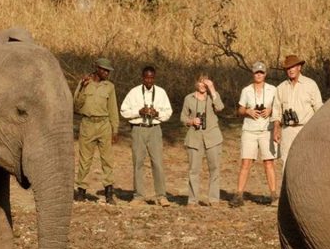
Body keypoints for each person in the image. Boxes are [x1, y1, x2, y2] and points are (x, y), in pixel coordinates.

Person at [120, 65, 173, 206]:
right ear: (142, 78)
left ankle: (161, 196)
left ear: (154, 78)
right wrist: (139, 111)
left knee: (158, 163)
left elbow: (168, 112)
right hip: (138, 128)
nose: (149, 80)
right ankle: (138, 196)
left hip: (155, 128)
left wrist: (157, 114)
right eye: (146, 77)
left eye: (151, 78)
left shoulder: (161, 93)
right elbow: (123, 111)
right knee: (138, 162)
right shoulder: (134, 92)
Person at [231, 61, 280, 208]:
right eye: (256, 72)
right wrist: (247, 111)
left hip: (267, 129)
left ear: (265, 74)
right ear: (253, 74)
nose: (259, 75)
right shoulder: (246, 90)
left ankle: (273, 194)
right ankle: (239, 194)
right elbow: (239, 110)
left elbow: (278, 106)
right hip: (250, 130)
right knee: (246, 162)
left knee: (269, 162)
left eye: (261, 72)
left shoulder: (273, 90)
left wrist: (270, 111)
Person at [74, 58, 119, 204]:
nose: (107, 73)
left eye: (108, 71)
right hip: (87, 124)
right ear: (97, 69)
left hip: (104, 124)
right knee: (85, 160)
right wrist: (82, 88)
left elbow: (113, 109)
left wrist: (115, 130)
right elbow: (76, 106)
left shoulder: (109, 87)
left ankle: (109, 193)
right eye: (104, 70)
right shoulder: (84, 83)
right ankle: (81, 191)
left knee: (107, 160)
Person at [180, 75, 225, 206]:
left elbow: (220, 107)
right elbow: (183, 117)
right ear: (196, 83)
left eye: (205, 82)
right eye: (200, 81)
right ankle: (192, 200)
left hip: (213, 137)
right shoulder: (189, 98)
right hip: (194, 137)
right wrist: (191, 121)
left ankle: (214, 199)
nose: (202, 85)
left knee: (214, 168)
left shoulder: (213, 96)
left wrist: (212, 89)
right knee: (193, 170)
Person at [274, 54, 323, 171]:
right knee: (286, 163)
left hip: (305, 129)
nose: (290, 70)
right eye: (288, 68)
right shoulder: (281, 88)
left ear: (299, 67)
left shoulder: (310, 84)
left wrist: (319, 130)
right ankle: (287, 189)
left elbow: (319, 108)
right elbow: (276, 111)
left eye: (293, 67)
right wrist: (276, 129)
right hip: (287, 130)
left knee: (307, 161)